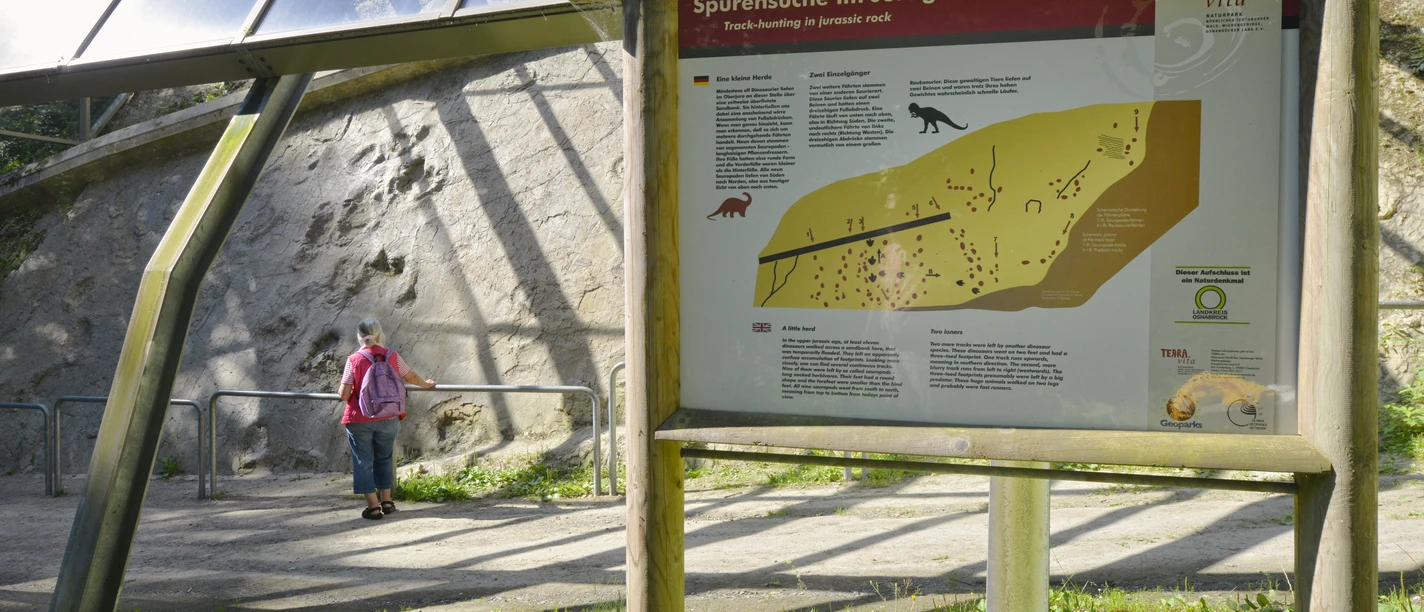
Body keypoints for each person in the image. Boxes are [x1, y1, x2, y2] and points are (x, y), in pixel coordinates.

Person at [337, 317, 435, 520]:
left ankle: (373, 507)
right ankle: (387, 501)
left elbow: (344, 394)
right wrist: (427, 384)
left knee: (363, 461)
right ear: (380, 334)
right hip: (389, 416)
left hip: (359, 418)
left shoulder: (353, 360)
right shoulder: (392, 356)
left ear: (359, 336)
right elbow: (411, 377)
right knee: (384, 457)